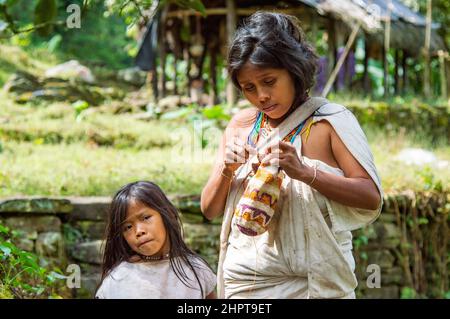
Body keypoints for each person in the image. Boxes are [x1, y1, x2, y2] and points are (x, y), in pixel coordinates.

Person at [200, 12, 383, 299]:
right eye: (249, 88)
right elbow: (210, 210)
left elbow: (371, 197)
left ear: (293, 70)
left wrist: (306, 173)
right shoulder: (242, 126)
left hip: (316, 283)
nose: (261, 96)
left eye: (269, 81)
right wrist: (227, 169)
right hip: (247, 284)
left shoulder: (330, 122)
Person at [95, 181, 217, 299]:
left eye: (146, 218)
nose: (139, 231)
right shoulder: (117, 279)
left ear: (168, 214)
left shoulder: (196, 269)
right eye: (128, 227)